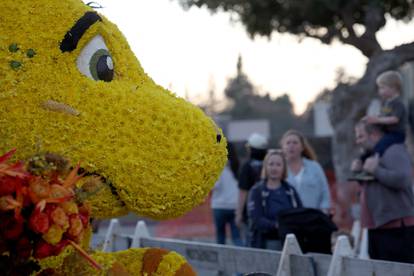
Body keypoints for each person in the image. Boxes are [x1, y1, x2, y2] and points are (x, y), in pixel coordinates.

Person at [351, 121, 414, 263]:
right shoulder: (373, 155)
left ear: (373, 135)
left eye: (361, 136)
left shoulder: (394, 150)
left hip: (397, 229)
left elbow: (403, 179)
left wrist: (375, 170)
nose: (357, 141)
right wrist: (360, 172)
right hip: (378, 226)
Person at [247, 149, 302, 250]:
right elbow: (257, 219)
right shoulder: (257, 191)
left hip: (289, 243)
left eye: (278, 164)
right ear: (265, 167)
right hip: (266, 243)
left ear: (283, 168)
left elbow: (300, 214)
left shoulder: (290, 191)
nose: (274, 168)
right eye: (271, 164)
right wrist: (277, 225)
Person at [280, 129, 331, 213]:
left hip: (312, 217)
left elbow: (324, 191)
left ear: (302, 147)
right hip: (287, 218)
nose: (291, 146)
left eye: (295, 143)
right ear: (283, 147)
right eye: (288, 143)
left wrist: (324, 211)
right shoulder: (279, 168)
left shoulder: (314, 167)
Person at [362, 70, 406, 157]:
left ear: (393, 88)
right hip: (386, 132)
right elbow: (383, 116)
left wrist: (377, 120)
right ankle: (366, 155)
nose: (379, 91)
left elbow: (394, 119)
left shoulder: (397, 103)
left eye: (382, 88)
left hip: (396, 134)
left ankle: (376, 159)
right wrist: (372, 119)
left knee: (381, 144)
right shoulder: (386, 103)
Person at [235, 133, 268, 244]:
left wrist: (239, 214)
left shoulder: (247, 166)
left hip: (250, 212)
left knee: (251, 242)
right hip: (268, 212)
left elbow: (243, 191)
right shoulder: (272, 164)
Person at [211, 142, 243, 246]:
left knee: (221, 238)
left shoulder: (218, 166)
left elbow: (215, 186)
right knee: (237, 237)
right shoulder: (237, 167)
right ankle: (242, 259)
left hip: (219, 206)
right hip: (234, 206)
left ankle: (222, 262)